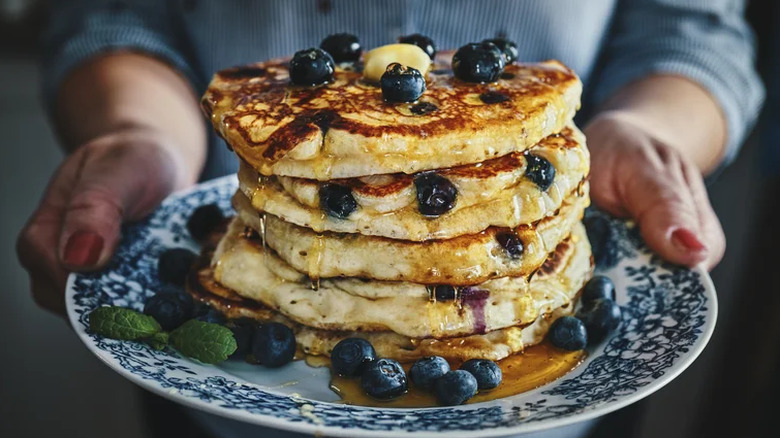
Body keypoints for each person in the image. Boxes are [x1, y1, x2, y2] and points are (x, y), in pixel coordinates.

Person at [16, 1, 763, 437]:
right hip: (223, 402)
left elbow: (691, 26)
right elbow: (109, 13)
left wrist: (651, 131)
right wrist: (140, 134)